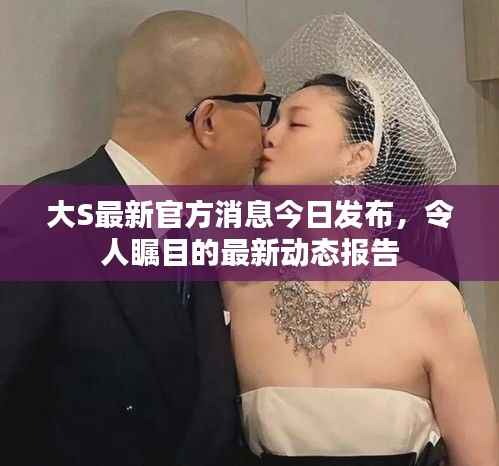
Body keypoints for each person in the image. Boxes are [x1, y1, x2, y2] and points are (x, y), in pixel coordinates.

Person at [0, 10, 280, 466]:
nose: (266, 133)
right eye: (258, 106)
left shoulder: (198, 238)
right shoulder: (42, 222)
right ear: (208, 121)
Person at [222, 15, 499, 466]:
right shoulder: (237, 290)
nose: (268, 135)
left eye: (297, 124)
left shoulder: (430, 302)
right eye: (274, 120)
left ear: (357, 156)